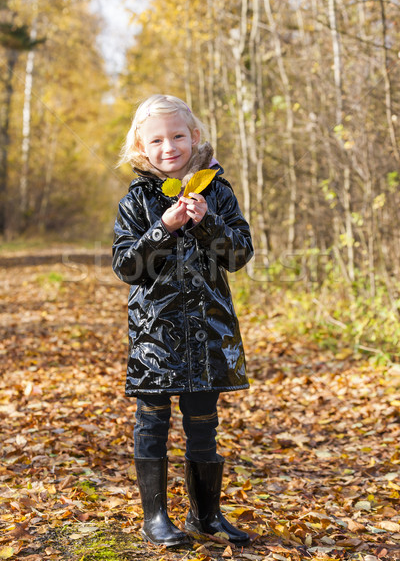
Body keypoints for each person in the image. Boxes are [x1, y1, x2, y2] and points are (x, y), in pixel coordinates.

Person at [112, 94, 254, 548]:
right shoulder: (136, 201)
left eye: (177, 135)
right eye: (156, 139)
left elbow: (239, 255)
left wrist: (209, 224)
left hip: (209, 331)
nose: (168, 146)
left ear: (194, 137)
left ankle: (205, 516)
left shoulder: (219, 191)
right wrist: (163, 228)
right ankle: (155, 518)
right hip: (155, 333)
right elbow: (128, 267)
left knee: (203, 422)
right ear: (141, 146)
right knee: (151, 420)